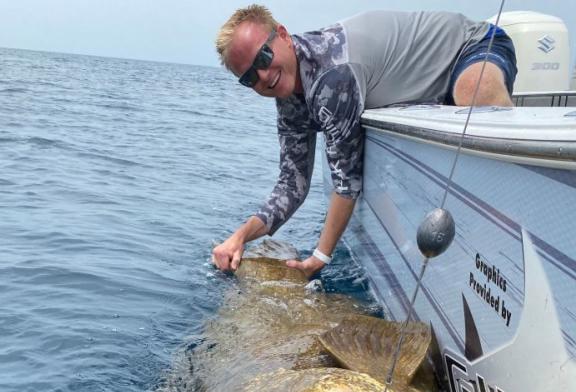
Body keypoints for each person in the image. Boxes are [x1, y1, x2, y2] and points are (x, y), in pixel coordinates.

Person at [212, 5, 517, 276]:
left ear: (283, 35)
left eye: (263, 57)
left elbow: (347, 183)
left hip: (474, 46)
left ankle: (511, 219)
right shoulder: (290, 100)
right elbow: (292, 186)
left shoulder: (333, 73)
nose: (264, 76)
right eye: (249, 77)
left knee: (475, 89)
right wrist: (240, 236)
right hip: (430, 90)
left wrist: (320, 257)